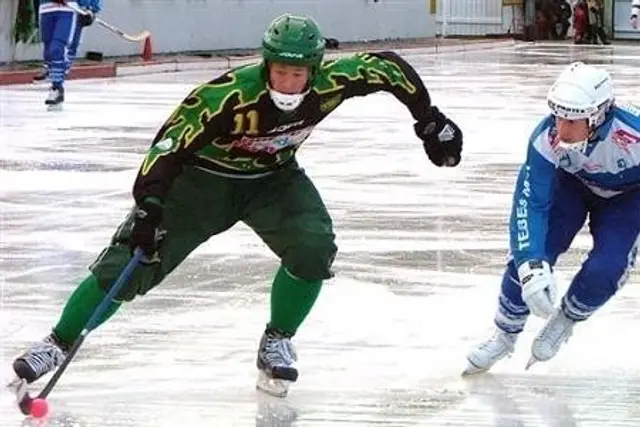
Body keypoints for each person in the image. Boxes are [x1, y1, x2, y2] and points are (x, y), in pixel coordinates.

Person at [11, 13, 463, 397]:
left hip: (273, 181)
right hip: (200, 185)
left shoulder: (333, 82)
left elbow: (388, 69)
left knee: (313, 245)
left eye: (298, 73)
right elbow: (167, 148)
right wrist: (149, 210)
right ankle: (57, 341)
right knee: (130, 262)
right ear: (266, 64)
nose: (288, 82)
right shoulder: (227, 95)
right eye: (279, 71)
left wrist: (429, 120)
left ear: (315, 69)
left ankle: (277, 340)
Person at [463, 62, 640, 375]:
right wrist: (531, 261)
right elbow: (530, 202)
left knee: (608, 267)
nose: (561, 128)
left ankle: (566, 319)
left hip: (628, 199)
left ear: (598, 115)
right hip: (571, 187)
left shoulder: (634, 133)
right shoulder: (545, 138)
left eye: (572, 120)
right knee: (529, 260)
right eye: (558, 115)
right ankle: (504, 335)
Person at [35, 0, 100, 108]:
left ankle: (57, 87)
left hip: (68, 9)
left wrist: (90, 7)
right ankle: (57, 74)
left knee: (58, 48)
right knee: (49, 52)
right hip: (46, 8)